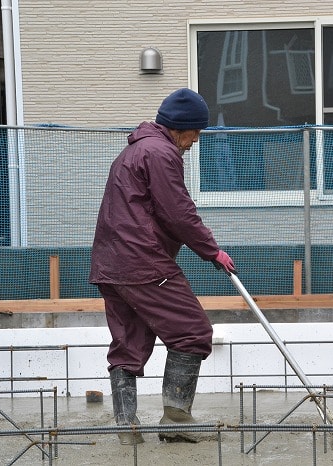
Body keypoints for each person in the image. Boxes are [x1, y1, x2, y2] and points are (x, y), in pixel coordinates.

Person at [89, 88, 236, 445]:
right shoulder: (160, 152)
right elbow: (177, 212)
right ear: (180, 128)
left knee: (128, 344)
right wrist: (211, 250)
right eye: (195, 133)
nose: (194, 141)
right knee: (193, 332)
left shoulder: (135, 150)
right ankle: (175, 420)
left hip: (111, 264)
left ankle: (128, 430)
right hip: (143, 263)